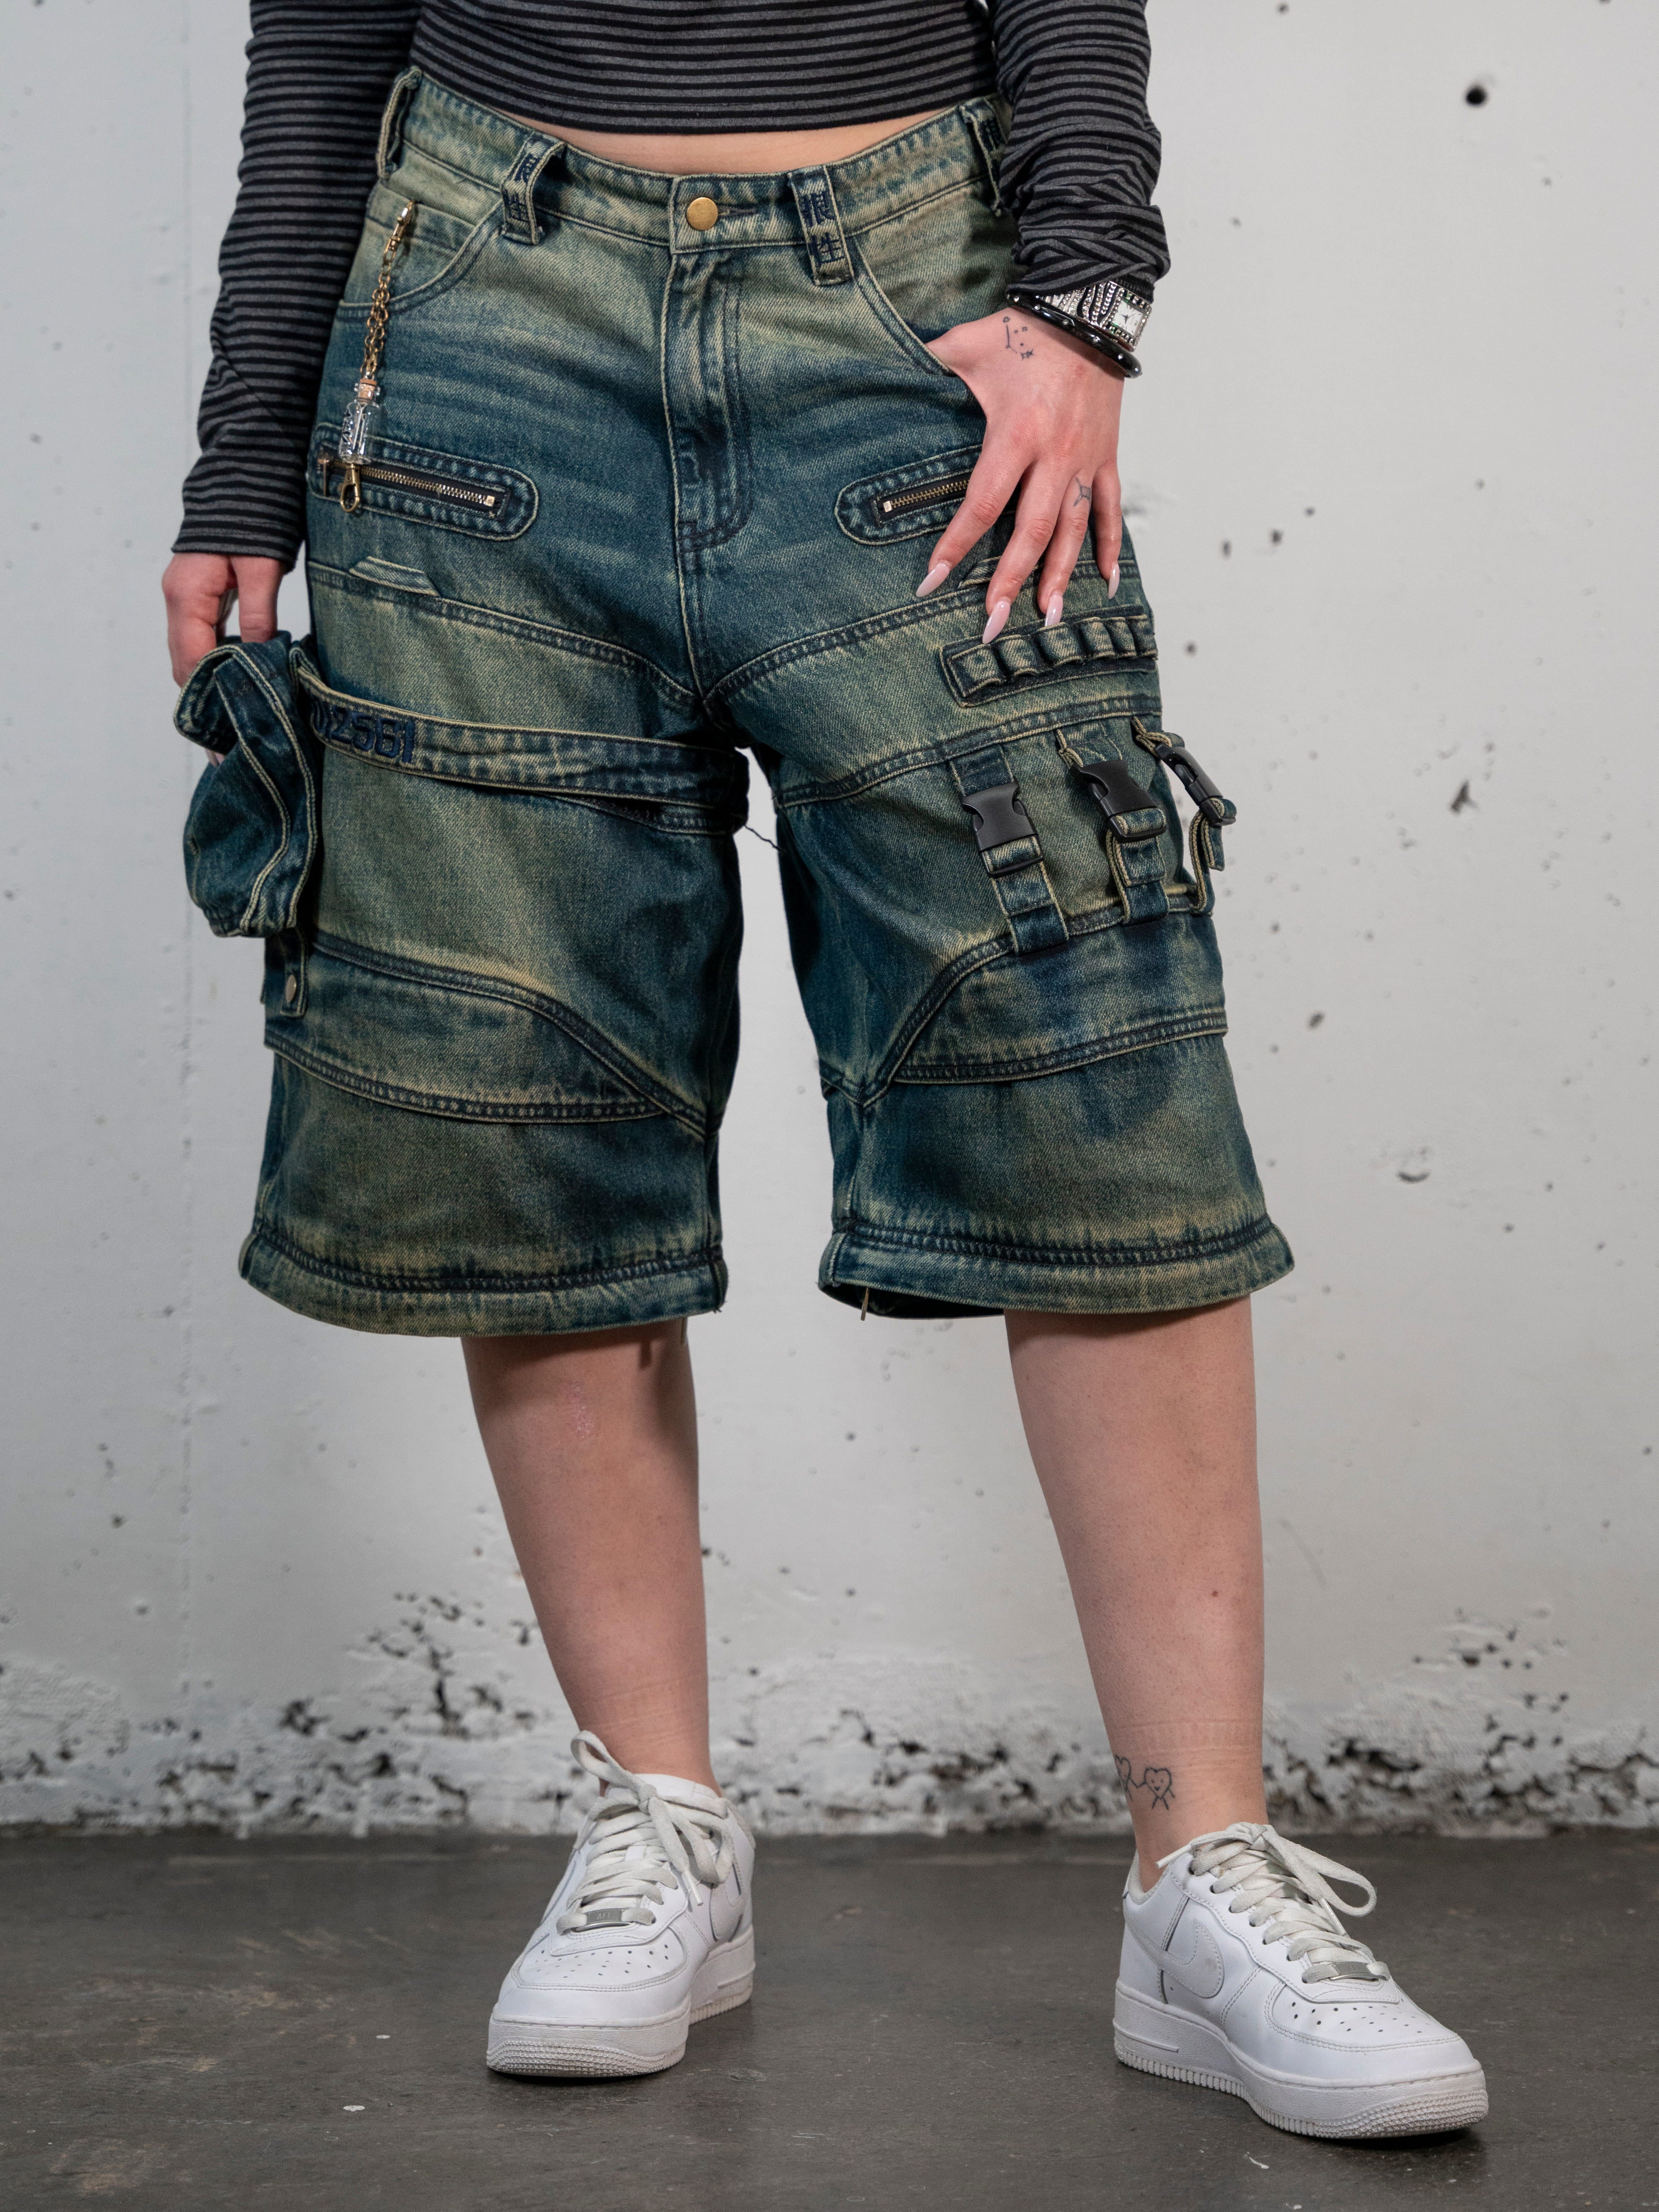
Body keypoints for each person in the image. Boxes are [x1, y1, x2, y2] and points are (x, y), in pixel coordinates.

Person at [163, 1, 1487, 2138]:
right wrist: (244, 456)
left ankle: (1205, 1872)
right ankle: (657, 1827)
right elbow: (323, 43)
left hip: (913, 314)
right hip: (477, 329)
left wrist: (1085, 297)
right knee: (529, 1093)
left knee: (1089, 1078)